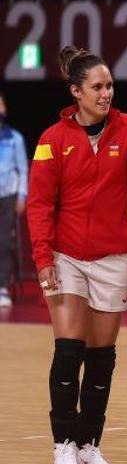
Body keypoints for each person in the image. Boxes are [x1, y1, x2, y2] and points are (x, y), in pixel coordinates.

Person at [28, 46, 127, 464]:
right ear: (76, 92)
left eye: (110, 85)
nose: (106, 93)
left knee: (101, 357)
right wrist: (43, 258)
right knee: (68, 350)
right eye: (97, 87)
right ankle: (62, 447)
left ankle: (90, 446)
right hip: (65, 256)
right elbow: (39, 205)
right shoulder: (51, 141)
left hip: (112, 256)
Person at [0, 91, 28, 308]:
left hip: (8, 197)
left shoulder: (15, 138)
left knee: (5, 242)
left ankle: (3, 286)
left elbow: (23, 170)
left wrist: (22, 196)